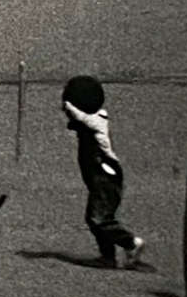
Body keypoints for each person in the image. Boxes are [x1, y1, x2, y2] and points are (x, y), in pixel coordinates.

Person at [60, 74, 145, 268]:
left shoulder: (97, 120)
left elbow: (80, 117)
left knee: (98, 218)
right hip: (98, 177)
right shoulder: (88, 120)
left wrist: (69, 105)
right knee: (98, 219)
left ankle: (131, 243)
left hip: (106, 176)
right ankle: (108, 257)